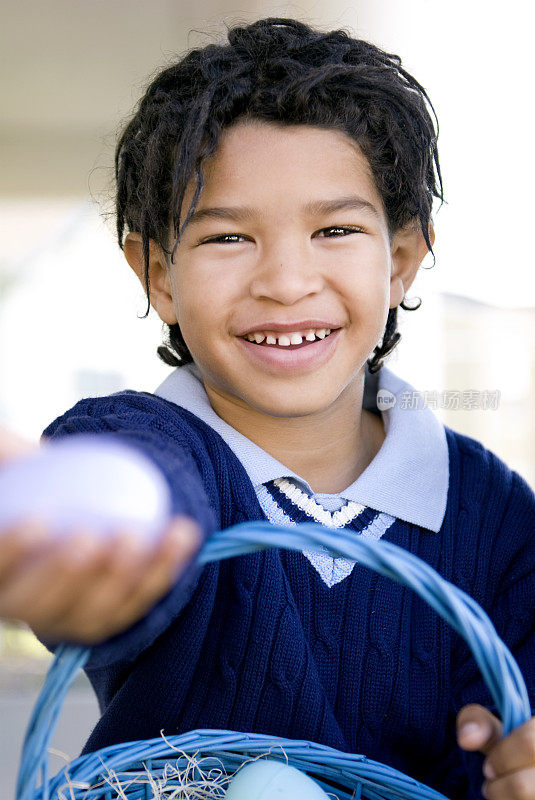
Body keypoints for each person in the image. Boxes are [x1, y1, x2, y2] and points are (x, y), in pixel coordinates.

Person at [1, 17, 534, 800]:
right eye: (226, 239)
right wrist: (84, 529)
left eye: (335, 229)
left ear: (400, 261)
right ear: (156, 275)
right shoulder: (146, 446)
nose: (286, 281)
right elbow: (138, 495)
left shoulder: (495, 518)